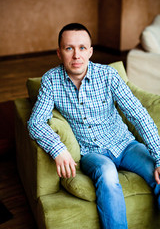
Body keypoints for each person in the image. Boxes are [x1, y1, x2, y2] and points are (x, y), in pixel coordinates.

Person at [28, 23, 160, 229]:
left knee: (158, 172)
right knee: (107, 175)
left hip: (125, 145)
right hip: (92, 153)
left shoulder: (108, 76)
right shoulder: (51, 81)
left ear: (90, 52)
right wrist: (58, 149)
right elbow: (35, 122)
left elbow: (139, 115)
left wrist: (159, 156)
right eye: (69, 48)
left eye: (82, 48)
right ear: (59, 52)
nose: (76, 55)